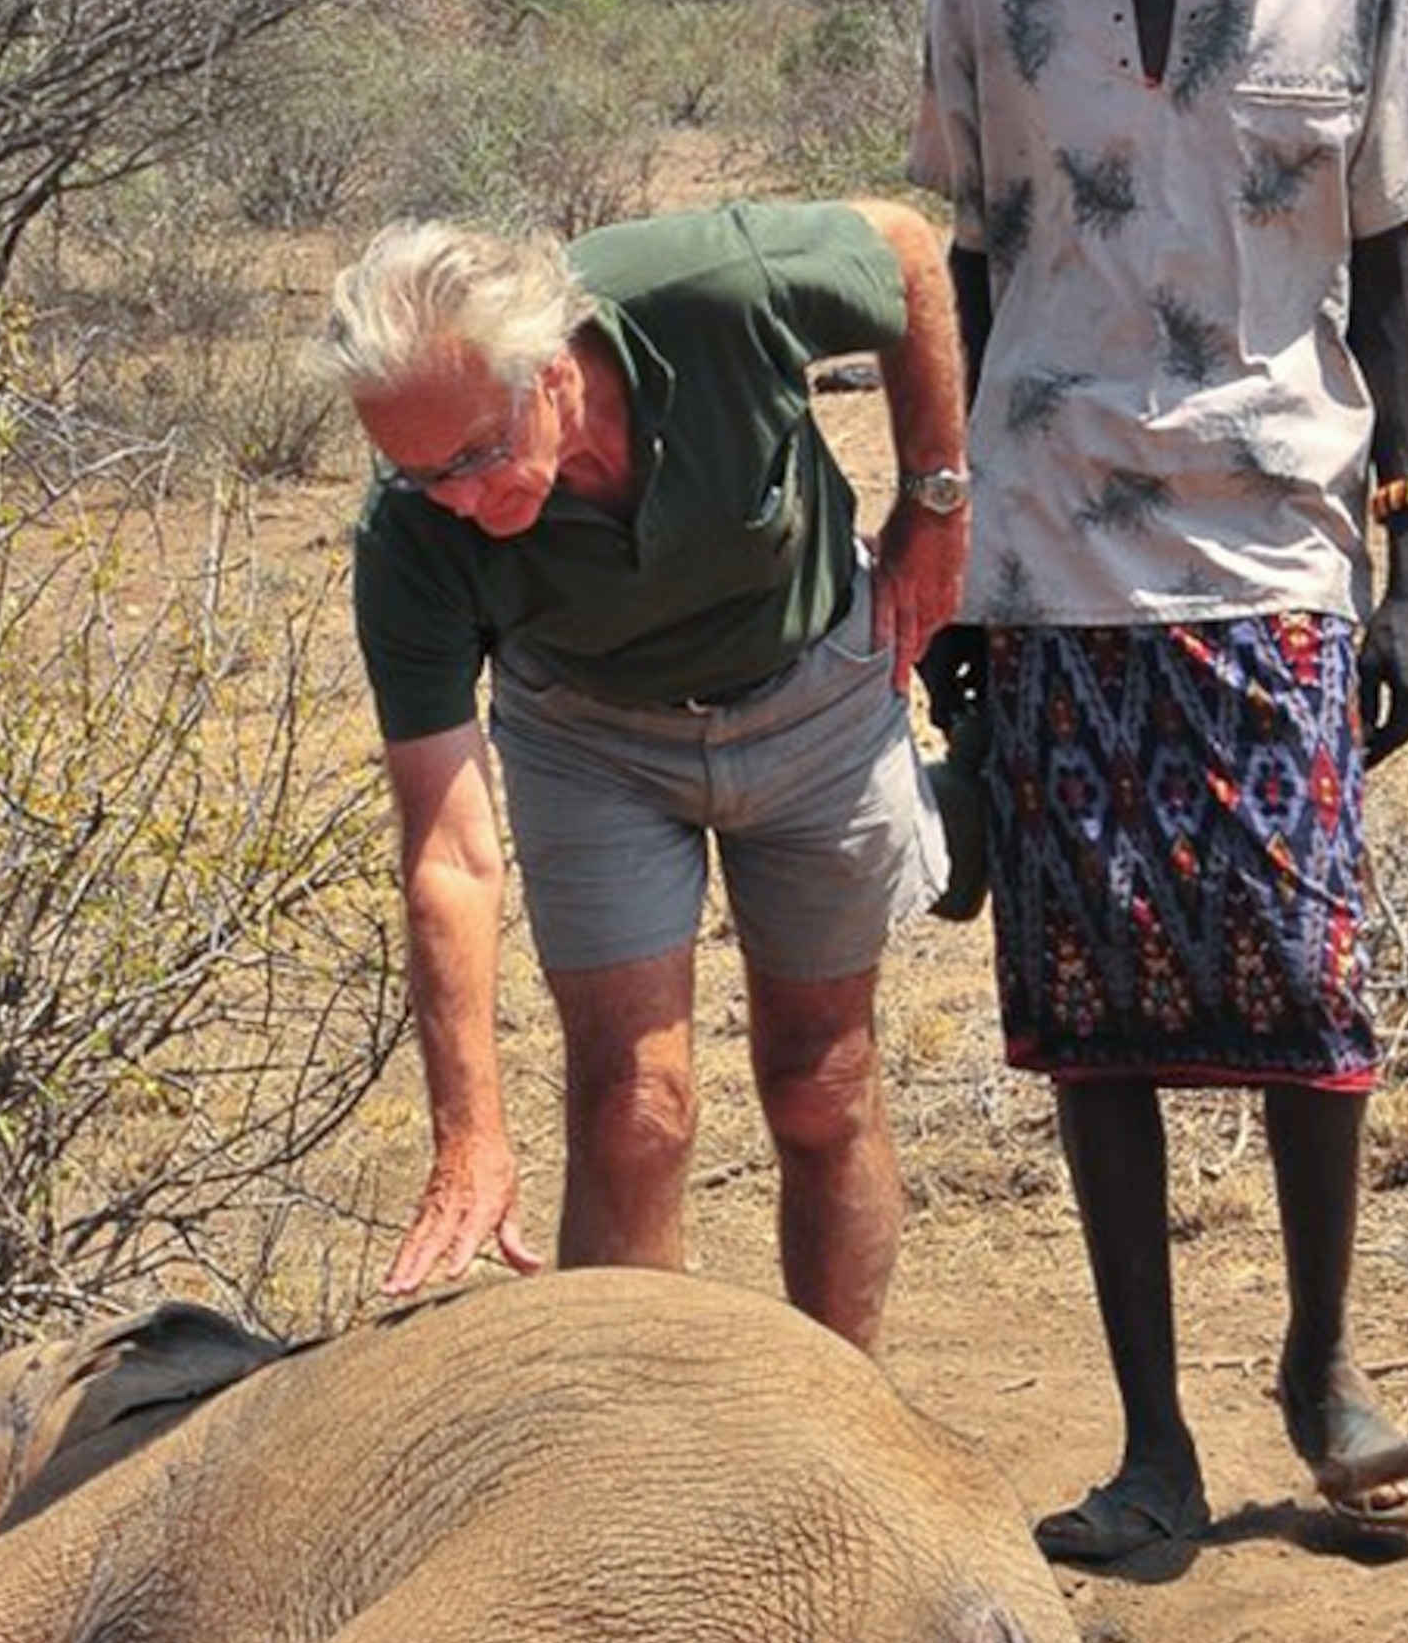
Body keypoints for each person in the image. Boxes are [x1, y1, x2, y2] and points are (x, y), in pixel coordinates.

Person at [908, 0, 1408, 1562]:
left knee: (1304, 980)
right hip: (1052, 552)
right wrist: (960, 544)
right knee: (1090, 1015)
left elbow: (1385, 268)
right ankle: (1149, 1443)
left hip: (1275, 542)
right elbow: (974, 268)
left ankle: (1320, 1367)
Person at [308, 197, 973, 1354]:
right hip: (591, 737)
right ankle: (622, 1433)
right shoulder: (411, 536)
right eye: (416, 474)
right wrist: (469, 1134)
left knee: (820, 1083)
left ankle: (835, 1413)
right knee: (633, 1108)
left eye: (472, 457)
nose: (454, 500)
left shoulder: (712, 293)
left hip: (813, 694)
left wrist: (934, 497)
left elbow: (908, 248)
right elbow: (450, 852)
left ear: (552, 371)